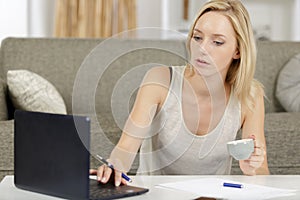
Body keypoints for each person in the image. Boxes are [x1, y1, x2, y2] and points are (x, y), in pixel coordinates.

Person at [90, 0, 270, 186]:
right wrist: (114, 166)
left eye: (217, 42)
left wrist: (253, 169)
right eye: (197, 38)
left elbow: (262, 169)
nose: (202, 49)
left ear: (238, 51)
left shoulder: (250, 95)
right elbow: (126, 147)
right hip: (157, 196)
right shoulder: (159, 80)